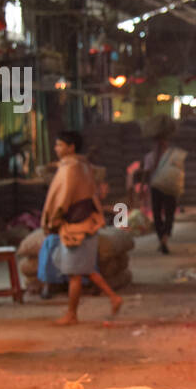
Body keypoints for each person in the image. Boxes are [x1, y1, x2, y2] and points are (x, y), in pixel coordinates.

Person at [42, 131, 122, 325]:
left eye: (60, 145)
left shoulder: (70, 168)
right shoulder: (84, 166)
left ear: (71, 147)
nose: (56, 149)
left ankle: (72, 314)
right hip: (87, 222)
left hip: (77, 225)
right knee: (83, 269)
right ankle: (113, 297)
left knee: (75, 274)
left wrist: (52, 220)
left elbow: (61, 198)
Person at [142, 133, 186, 254]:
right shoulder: (173, 157)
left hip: (157, 188)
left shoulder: (150, 157)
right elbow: (179, 173)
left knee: (158, 214)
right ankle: (164, 238)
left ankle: (162, 238)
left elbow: (145, 174)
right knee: (168, 214)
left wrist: (142, 188)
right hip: (168, 188)